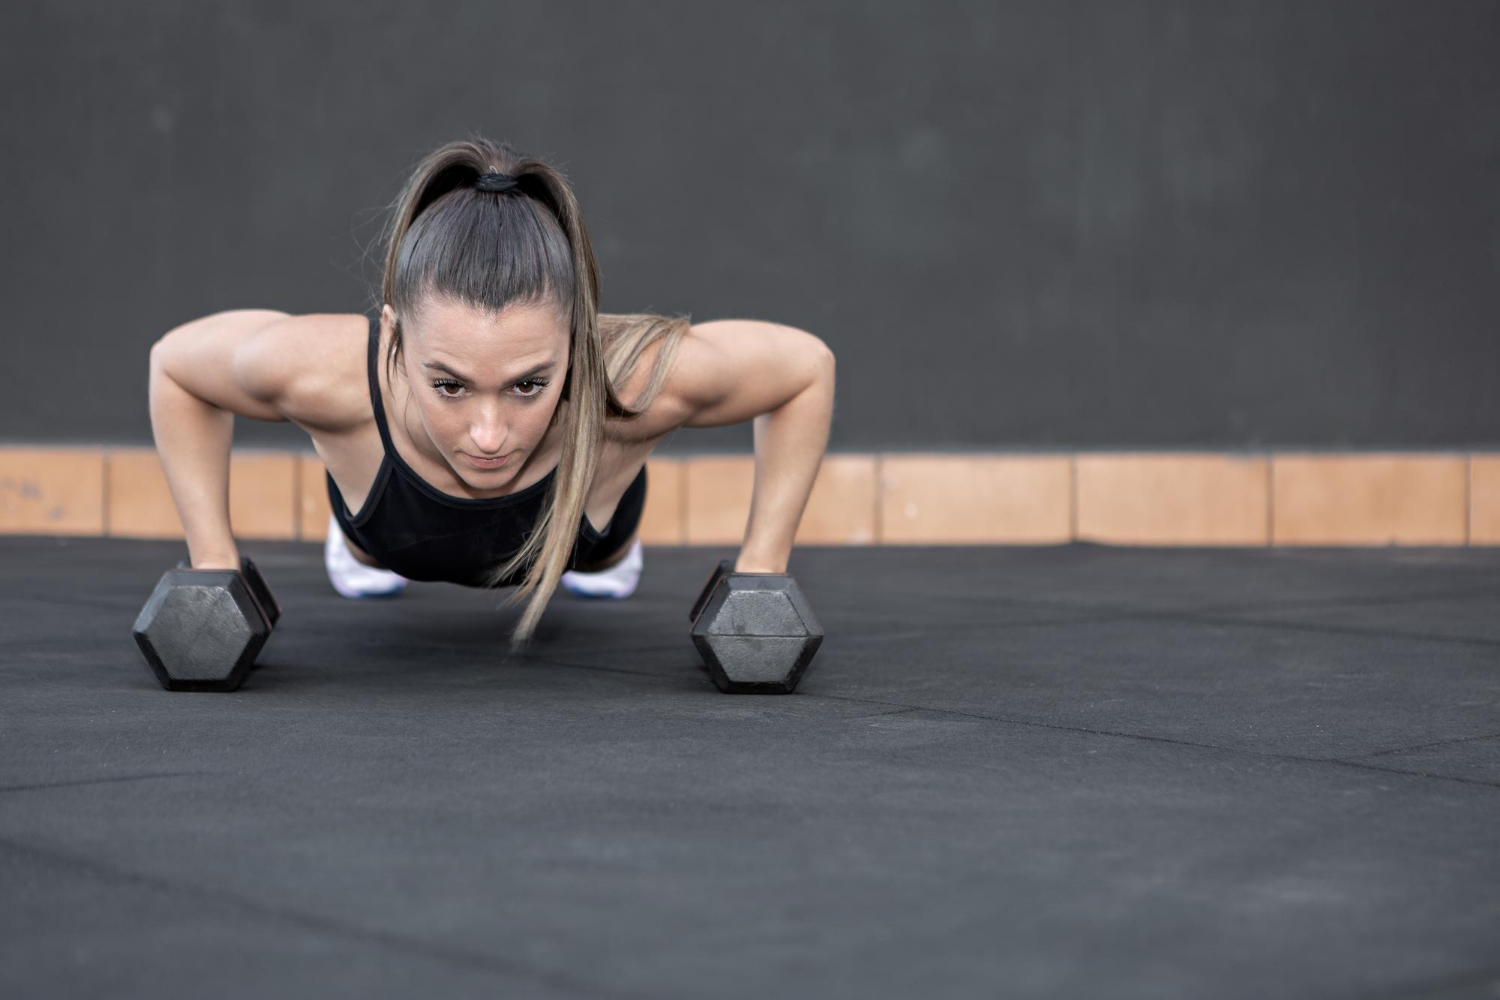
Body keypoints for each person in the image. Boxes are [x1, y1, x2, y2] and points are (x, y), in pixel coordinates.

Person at [147, 136, 836, 649]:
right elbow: (176, 366)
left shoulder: (631, 376)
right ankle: (356, 535)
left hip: (586, 543)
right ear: (394, 337)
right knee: (364, 556)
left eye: (528, 384)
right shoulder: (328, 372)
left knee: (603, 559)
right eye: (448, 384)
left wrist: (761, 572)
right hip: (383, 538)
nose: (488, 432)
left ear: (576, 341)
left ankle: (610, 537)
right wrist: (213, 563)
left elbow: (805, 368)